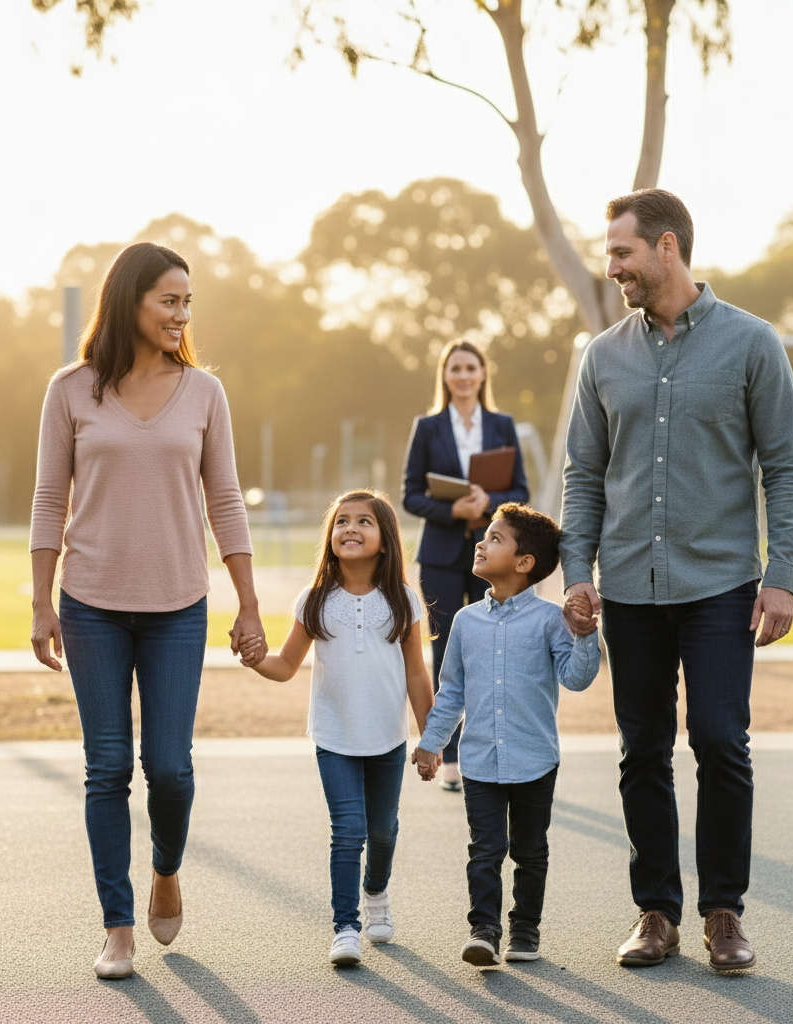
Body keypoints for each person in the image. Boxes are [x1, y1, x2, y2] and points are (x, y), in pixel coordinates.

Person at [560, 189, 793, 972]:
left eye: (623, 253)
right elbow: (583, 477)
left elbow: (787, 470)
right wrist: (578, 572)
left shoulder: (752, 344)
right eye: (610, 255)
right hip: (630, 586)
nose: (614, 268)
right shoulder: (603, 356)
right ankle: (656, 913)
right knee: (642, 751)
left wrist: (783, 576)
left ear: (668, 248)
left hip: (721, 586)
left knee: (719, 742)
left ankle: (724, 913)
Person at [29, 242, 267, 980]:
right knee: (106, 767)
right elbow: (47, 498)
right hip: (91, 603)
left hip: (177, 606)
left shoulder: (203, 394)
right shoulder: (70, 391)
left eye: (187, 302)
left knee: (169, 768)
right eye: (169, 300)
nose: (181, 314)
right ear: (130, 299)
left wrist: (249, 601)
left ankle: (166, 868)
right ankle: (119, 926)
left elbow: (224, 498)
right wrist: (41, 601)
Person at [235, 490, 436, 967]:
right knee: (348, 830)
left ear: (384, 541)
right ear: (330, 538)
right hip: (334, 737)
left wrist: (431, 739)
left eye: (364, 521)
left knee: (382, 832)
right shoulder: (315, 600)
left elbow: (416, 673)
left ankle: (377, 893)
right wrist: (253, 657)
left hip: (388, 737)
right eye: (342, 521)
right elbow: (285, 666)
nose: (350, 528)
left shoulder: (404, 600)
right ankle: (345, 926)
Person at [413, 503, 600, 966]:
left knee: (530, 851)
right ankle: (484, 930)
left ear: (524, 563)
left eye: (495, 538)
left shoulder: (550, 620)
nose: (481, 542)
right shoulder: (465, 621)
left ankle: (525, 931)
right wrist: (431, 742)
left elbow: (576, 678)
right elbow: (451, 691)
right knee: (485, 849)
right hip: (479, 761)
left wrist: (585, 635)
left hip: (535, 758)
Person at [402, 340, 529, 791]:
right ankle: (449, 754)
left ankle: (493, 753)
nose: (462, 375)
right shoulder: (428, 427)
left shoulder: (502, 424)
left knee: (493, 650)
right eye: (454, 367)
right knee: (445, 654)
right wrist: (452, 511)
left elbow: (521, 489)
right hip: (439, 556)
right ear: (445, 374)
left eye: (470, 367)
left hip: (492, 556)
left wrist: (488, 503)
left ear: (482, 374)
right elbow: (410, 493)